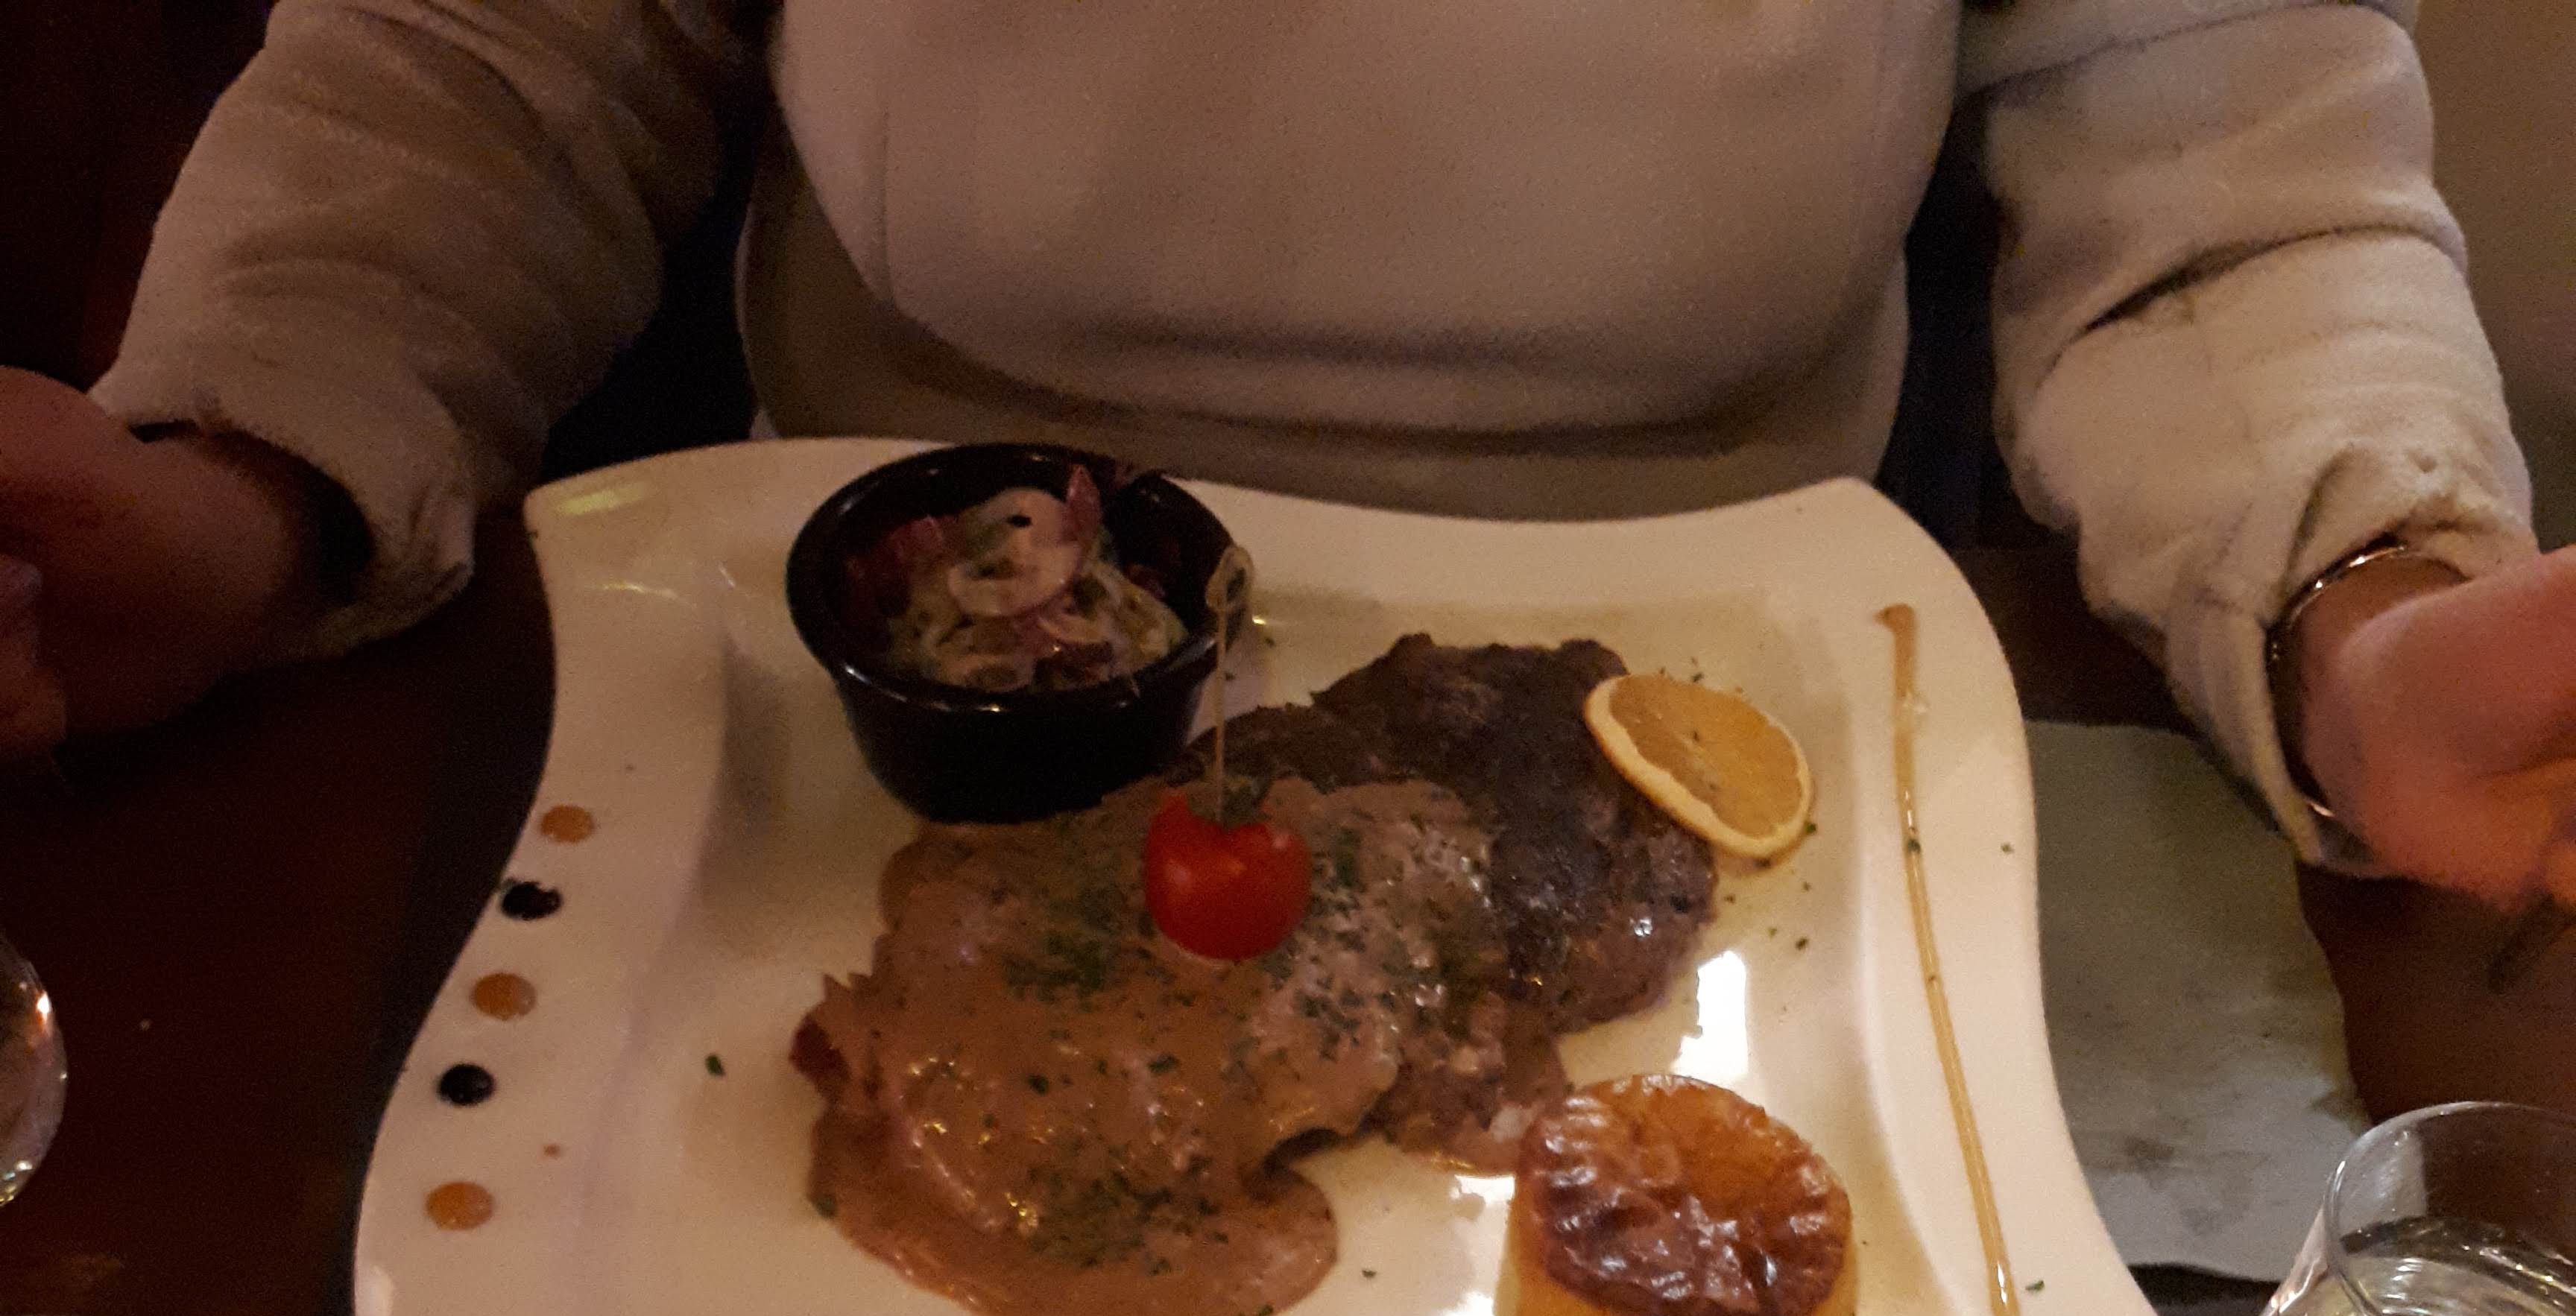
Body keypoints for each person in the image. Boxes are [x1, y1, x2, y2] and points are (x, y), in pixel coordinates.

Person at [0, 0, 2570, 920]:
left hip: (1727, 737)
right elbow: (492, 60)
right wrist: (247, 470)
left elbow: (2218, 172)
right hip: (876, 738)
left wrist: (2365, 614)